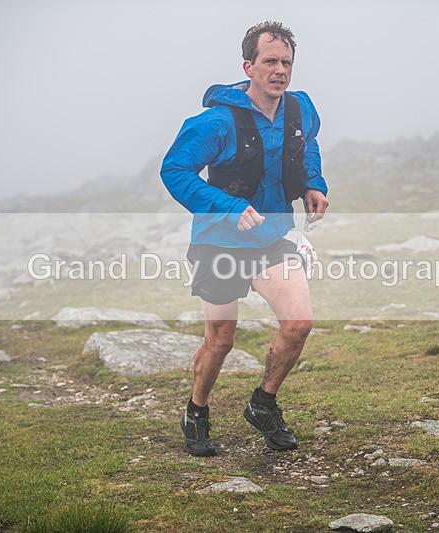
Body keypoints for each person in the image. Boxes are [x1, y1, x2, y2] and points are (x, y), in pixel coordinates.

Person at [160, 21, 329, 456]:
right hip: (219, 239)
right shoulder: (215, 122)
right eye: (269, 61)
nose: (279, 70)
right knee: (221, 338)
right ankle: (196, 411)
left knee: (299, 323)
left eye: (286, 62)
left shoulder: (300, 108)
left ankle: (263, 403)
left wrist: (314, 184)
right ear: (248, 66)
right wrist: (230, 207)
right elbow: (174, 171)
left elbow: (307, 143)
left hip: (273, 235)